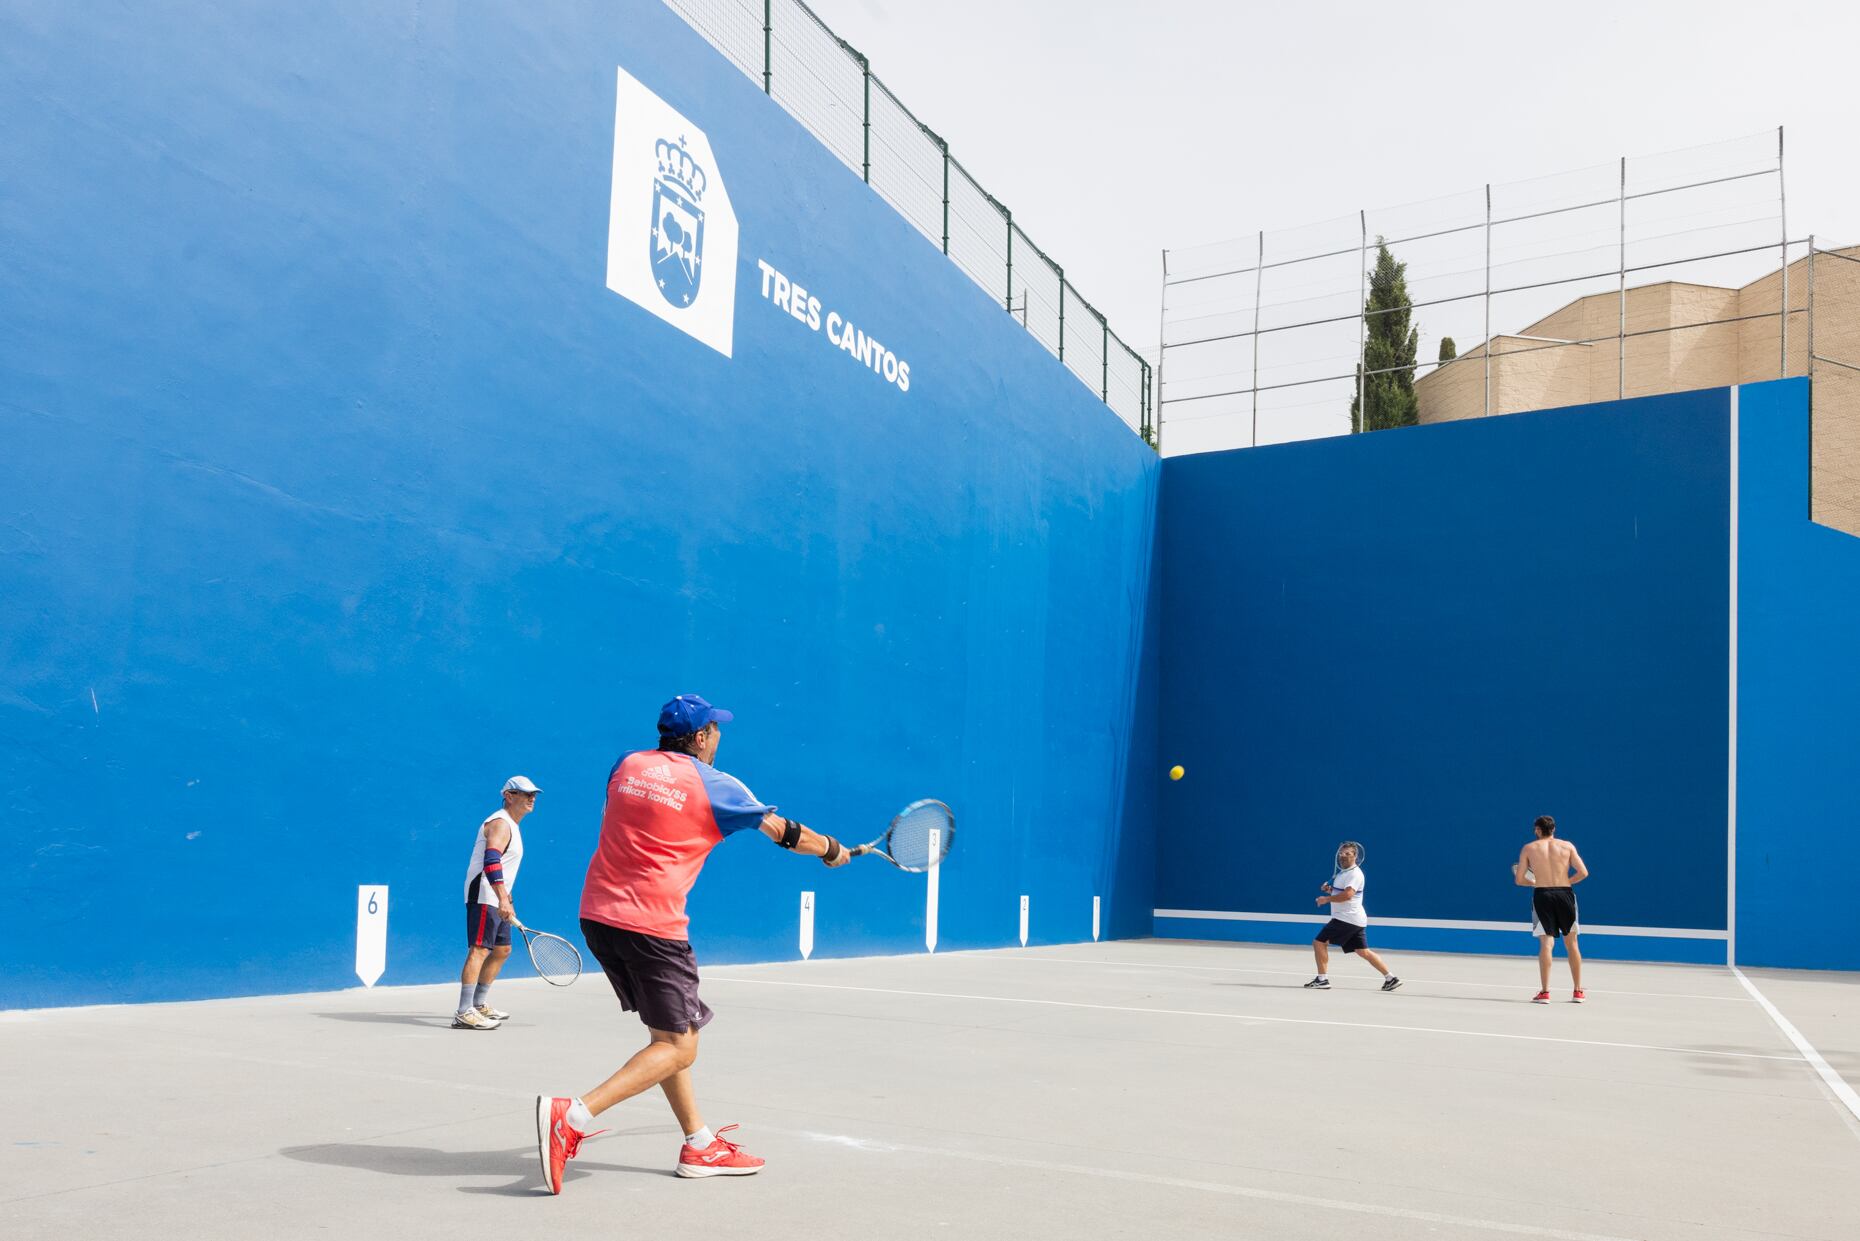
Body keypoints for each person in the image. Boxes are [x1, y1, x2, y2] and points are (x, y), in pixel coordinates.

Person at [535, 695, 850, 1194]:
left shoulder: (627, 765)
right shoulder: (716, 785)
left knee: (667, 1040)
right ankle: (571, 1115)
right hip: (653, 925)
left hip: (598, 914)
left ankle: (699, 1144)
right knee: (681, 1047)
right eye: (716, 730)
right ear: (701, 737)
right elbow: (783, 832)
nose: (720, 737)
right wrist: (831, 850)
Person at [455, 776, 540, 1029]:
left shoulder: (513, 826)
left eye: (533, 794)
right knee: (480, 949)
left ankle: (479, 1004)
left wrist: (507, 896)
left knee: (502, 950)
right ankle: (463, 1012)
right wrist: (502, 897)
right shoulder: (500, 823)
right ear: (509, 796)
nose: (531, 798)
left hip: (497, 894)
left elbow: (503, 867)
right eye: (525, 794)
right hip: (484, 894)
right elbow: (490, 862)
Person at [1304, 841, 1401, 992]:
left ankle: (1322, 979)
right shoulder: (1344, 873)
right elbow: (1342, 893)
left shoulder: (1355, 874)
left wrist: (1326, 899)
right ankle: (1390, 978)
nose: (1343, 856)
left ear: (1355, 856)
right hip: (1356, 919)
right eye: (1341, 854)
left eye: (1348, 854)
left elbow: (1348, 895)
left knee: (1319, 943)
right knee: (1363, 951)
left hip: (1346, 918)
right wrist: (1330, 891)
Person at [1514, 814, 1589, 1003]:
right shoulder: (1567, 846)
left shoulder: (1529, 848)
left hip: (1542, 895)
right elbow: (1583, 873)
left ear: (1538, 830)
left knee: (1546, 944)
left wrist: (1534, 882)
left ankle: (1545, 992)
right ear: (1553, 829)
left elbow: (1519, 880)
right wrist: (1566, 882)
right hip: (1565, 895)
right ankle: (1578, 991)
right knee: (1572, 944)